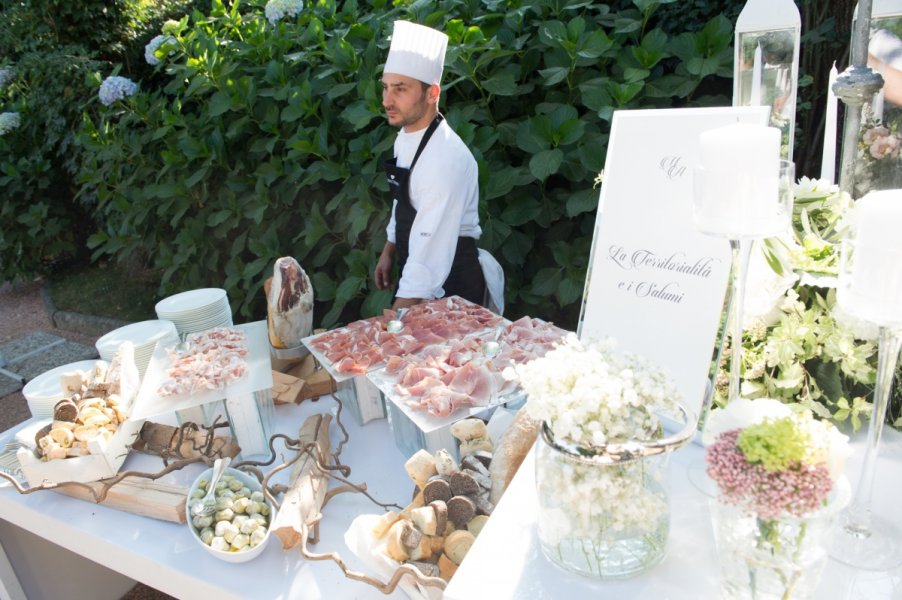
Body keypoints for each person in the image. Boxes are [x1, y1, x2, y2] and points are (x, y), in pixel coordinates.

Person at [374, 20, 487, 311]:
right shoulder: (406, 136)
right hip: (417, 273)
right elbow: (404, 199)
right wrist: (390, 248)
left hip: (452, 288)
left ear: (432, 93)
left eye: (400, 89)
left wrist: (392, 327)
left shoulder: (445, 160)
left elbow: (430, 253)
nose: (387, 100)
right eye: (385, 88)